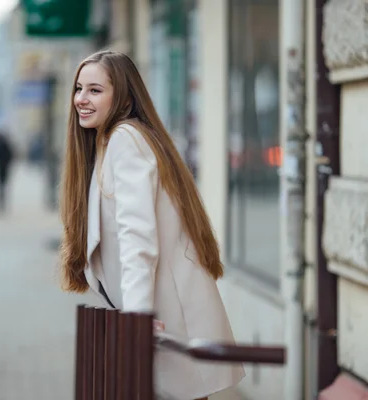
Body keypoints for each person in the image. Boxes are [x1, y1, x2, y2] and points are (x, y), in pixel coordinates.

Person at [59, 50, 245, 400]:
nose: (81, 99)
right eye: (79, 88)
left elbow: (137, 239)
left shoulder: (126, 139)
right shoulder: (109, 142)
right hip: (162, 322)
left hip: (164, 323)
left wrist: (137, 320)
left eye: (95, 90)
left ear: (125, 97)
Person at [0, 130, 14, 212]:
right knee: (3, 185)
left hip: (0, 167)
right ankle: (1, 201)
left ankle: (1, 202)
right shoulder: (5, 145)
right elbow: (10, 156)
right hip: (4, 168)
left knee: (1, 185)